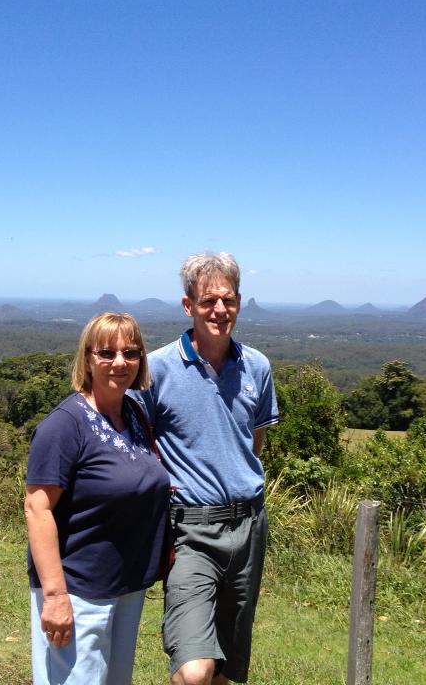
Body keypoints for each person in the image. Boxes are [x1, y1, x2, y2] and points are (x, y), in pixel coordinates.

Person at [137, 252, 279, 685]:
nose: (219, 310)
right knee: (194, 669)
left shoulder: (256, 366)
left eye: (228, 300)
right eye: (208, 301)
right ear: (188, 306)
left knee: (225, 673)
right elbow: (138, 445)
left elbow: (254, 443)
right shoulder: (157, 368)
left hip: (249, 527)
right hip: (191, 533)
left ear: (239, 302)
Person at [24, 312, 170, 685]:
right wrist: (55, 596)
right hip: (79, 590)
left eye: (131, 353)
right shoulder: (64, 425)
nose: (120, 362)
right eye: (107, 353)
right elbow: (37, 507)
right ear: (87, 359)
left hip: (125, 588)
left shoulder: (134, 414)